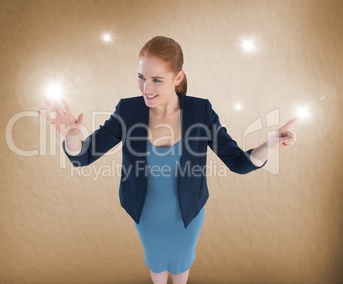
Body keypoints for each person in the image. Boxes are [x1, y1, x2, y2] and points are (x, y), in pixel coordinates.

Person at [39, 36, 297, 284]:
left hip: (187, 213)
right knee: (156, 264)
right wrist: (73, 137)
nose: (146, 89)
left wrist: (270, 144)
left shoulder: (201, 111)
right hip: (146, 212)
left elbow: (237, 162)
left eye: (156, 80)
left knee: (182, 266)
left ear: (178, 77)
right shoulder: (127, 111)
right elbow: (84, 157)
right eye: (141, 77)